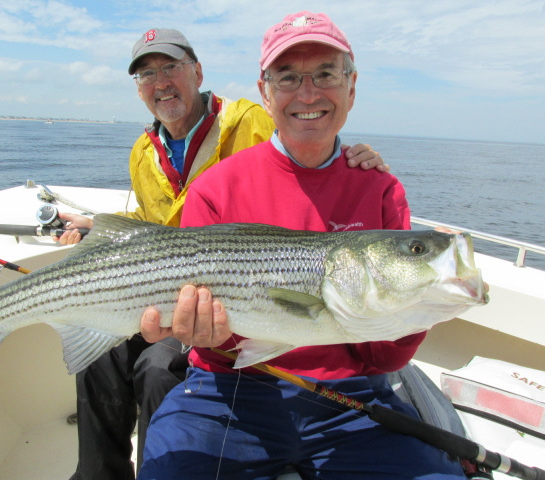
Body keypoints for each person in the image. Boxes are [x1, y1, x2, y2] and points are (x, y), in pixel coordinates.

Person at [138, 12, 468, 480]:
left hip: (353, 400)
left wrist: (424, 306)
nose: (308, 94)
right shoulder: (214, 188)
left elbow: (383, 358)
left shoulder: (380, 189)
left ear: (351, 87)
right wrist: (205, 335)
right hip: (228, 393)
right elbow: (215, 354)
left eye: (326, 74)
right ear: (265, 90)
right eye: (289, 77)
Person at [62, 27, 388, 480]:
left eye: (171, 68)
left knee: (158, 368)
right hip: (161, 279)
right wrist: (97, 228)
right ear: (138, 90)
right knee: (99, 358)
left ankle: (162, 461)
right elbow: (147, 217)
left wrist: (357, 159)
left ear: (197, 72)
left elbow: (302, 138)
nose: (161, 83)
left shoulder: (248, 120)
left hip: (226, 285)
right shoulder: (143, 150)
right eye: (147, 75)